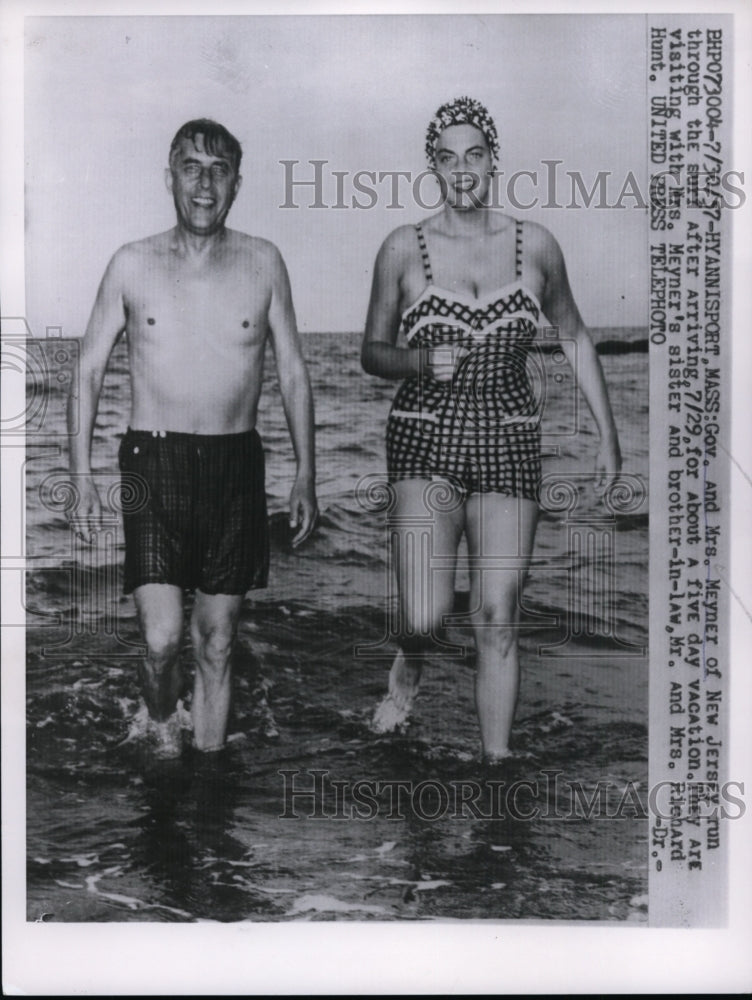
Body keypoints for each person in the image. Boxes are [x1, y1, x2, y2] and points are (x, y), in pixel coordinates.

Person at [361, 97, 621, 762]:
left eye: (474, 154)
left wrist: (608, 438)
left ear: (493, 158)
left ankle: (496, 772)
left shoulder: (534, 245)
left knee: (497, 618)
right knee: (424, 615)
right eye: (448, 158)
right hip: (424, 439)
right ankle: (411, 657)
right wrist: (418, 359)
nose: (463, 169)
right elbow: (371, 352)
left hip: (508, 439)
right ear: (434, 167)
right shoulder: (402, 248)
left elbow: (575, 336)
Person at [68, 119, 317, 756]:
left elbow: (291, 370)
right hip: (154, 460)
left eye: (219, 170)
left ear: (236, 184)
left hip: (236, 463)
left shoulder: (264, 262)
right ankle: (160, 732)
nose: (204, 184)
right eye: (191, 167)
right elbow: (89, 368)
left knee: (218, 640)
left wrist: (306, 473)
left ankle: (206, 781)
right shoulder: (131, 262)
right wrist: (80, 474)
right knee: (159, 640)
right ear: (170, 176)